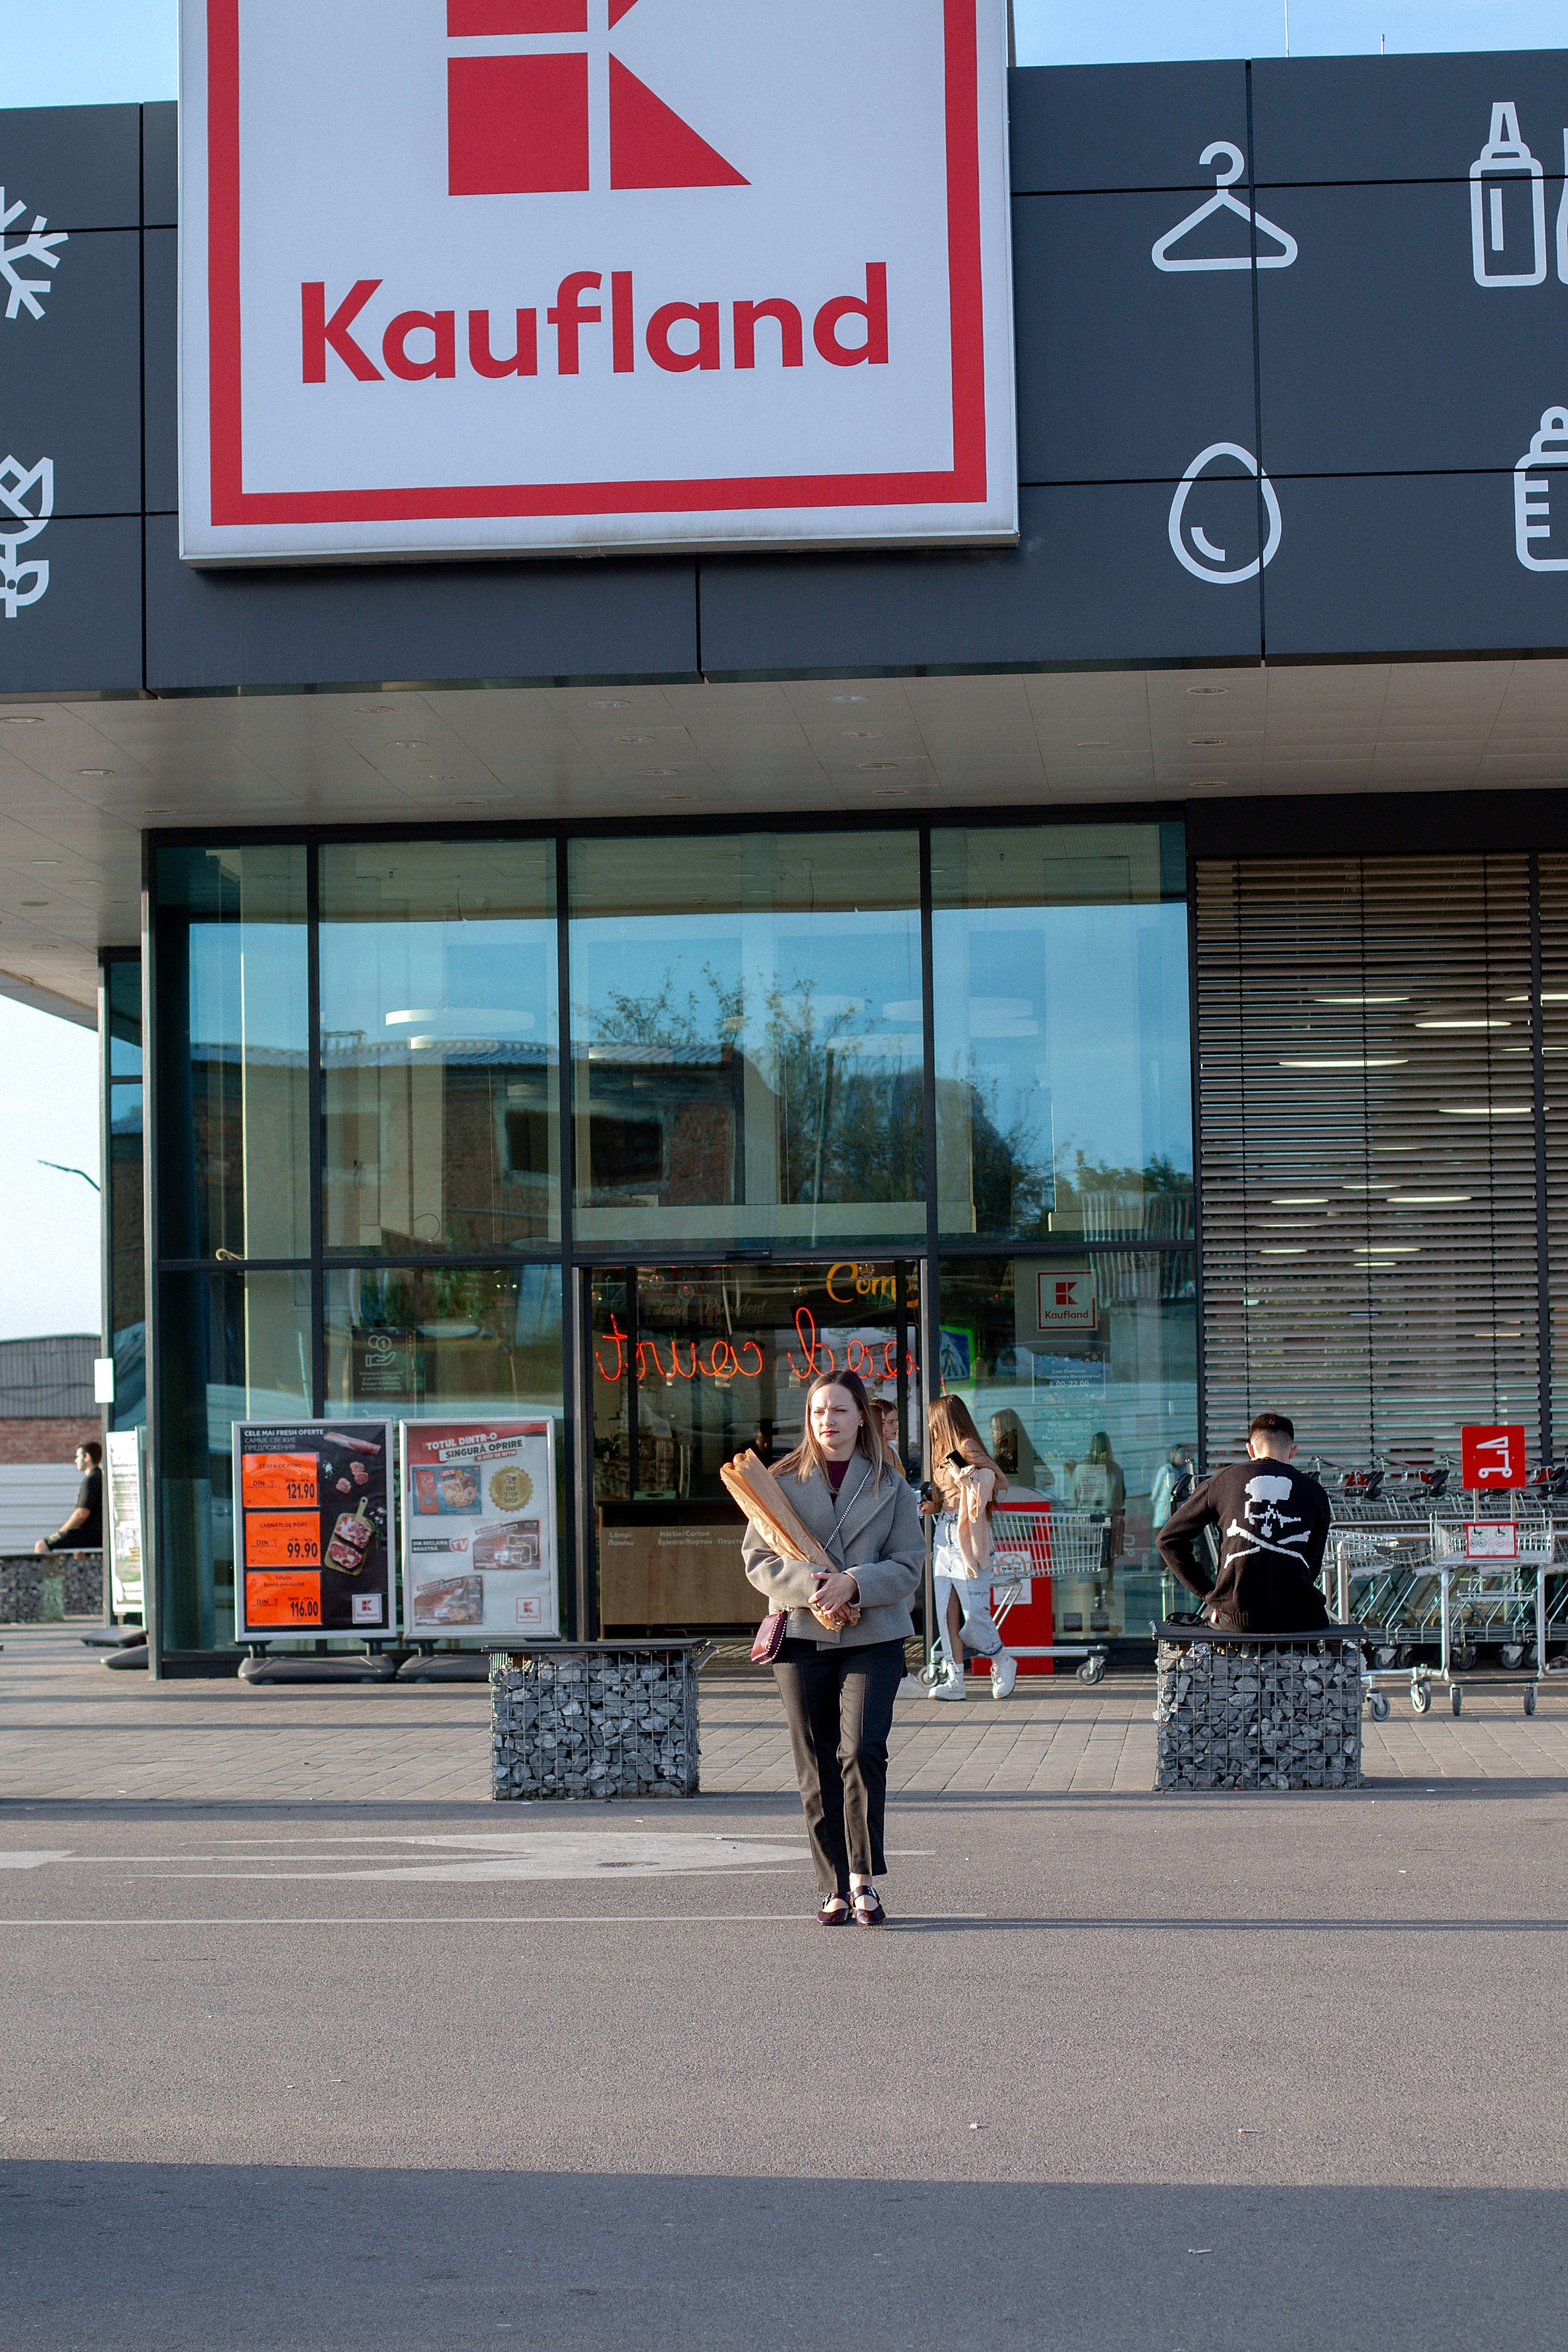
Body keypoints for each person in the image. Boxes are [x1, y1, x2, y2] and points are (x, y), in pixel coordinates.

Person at [741, 1370, 924, 1928]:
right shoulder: (778, 1481)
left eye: (840, 1410)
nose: (828, 1420)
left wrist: (855, 1583)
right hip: (801, 1632)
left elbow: (909, 1565)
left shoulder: (891, 1485)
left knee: (863, 1750)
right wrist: (813, 1585)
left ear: (862, 1417)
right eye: (819, 1411)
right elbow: (757, 1561)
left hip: (875, 1634)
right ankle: (833, 1886)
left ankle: (864, 1879)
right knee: (816, 1761)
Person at [1156, 1411, 1332, 1632]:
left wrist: (1210, 1594)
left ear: (1250, 1449)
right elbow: (1312, 1564)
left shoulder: (1221, 1482)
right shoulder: (1315, 1492)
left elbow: (1167, 1539)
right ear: (1293, 1451)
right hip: (1299, 1618)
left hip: (1235, 1618)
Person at [924, 1393, 1017, 1702]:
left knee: (974, 1610)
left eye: (933, 1421)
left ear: (944, 1421)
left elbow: (999, 1481)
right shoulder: (939, 1452)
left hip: (968, 1534)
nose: (929, 1427)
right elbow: (947, 1498)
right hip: (943, 1532)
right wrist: (932, 1505)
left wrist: (966, 1472)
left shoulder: (965, 1447)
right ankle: (955, 1680)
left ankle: (1001, 1658)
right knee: (945, 1611)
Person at [34, 1439, 103, 1556]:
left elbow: (81, 1514)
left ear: (87, 1457)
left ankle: (51, 1570)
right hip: (99, 1535)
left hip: (92, 1534)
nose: (75, 1461)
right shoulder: (100, 1476)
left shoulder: (92, 1479)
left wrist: (62, 1532)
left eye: (78, 1457)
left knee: (41, 1546)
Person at [1150, 1444, 1194, 1532]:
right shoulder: (1165, 1470)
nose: (1184, 1456)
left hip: (1181, 1519)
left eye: (1186, 1454)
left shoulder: (1187, 1471)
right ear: (1174, 1455)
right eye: (1181, 1453)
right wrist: (1163, 1508)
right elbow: (1155, 1496)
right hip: (1164, 1519)